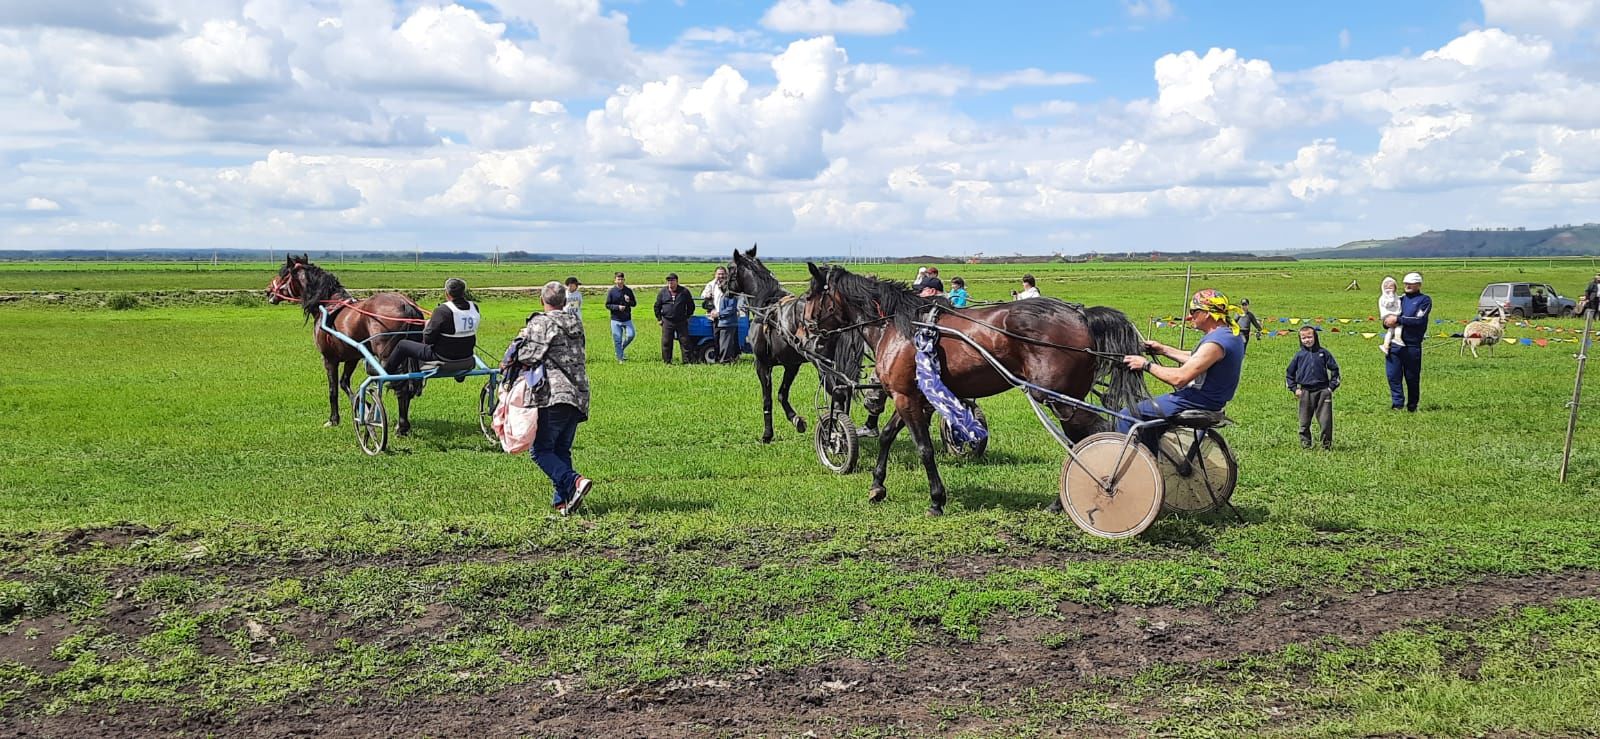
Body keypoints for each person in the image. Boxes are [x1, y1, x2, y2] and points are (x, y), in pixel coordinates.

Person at [1119, 289, 1245, 437]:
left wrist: (1145, 364)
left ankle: (1133, 458)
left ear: (1208, 313)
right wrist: (1163, 349)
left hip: (1198, 401)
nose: (1189, 316)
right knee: (1149, 423)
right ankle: (1151, 455)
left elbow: (1179, 378)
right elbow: (1197, 359)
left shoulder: (1216, 342)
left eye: (1194, 311)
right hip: (1210, 399)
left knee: (1126, 415)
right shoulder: (1229, 335)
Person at [514, 281, 594, 515]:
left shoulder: (542, 322)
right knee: (561, 450)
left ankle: (575, 482)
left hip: (554, 395)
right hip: (579, 393)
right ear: (565, 301)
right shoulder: (575, 320)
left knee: (540, 450)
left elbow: (528, 356)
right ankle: (564, 502)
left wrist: (521, 340)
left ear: (542, 300)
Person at [384, 278, 480, 402]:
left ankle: (386, 372)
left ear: (447, 293)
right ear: (464, 292)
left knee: (403, 345)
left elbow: (428, 339)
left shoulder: (443, 311)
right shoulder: (474, 307)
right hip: (467, 355)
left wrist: (428, 325)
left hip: (442, 357)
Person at [1285, 326, 1340, 450]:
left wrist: (1330, 388)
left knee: (1326, 422)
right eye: (1304, 338)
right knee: (1304, 422)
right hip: (1305, 392)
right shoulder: (1299, 356)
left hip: (1323, 391)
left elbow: (1335, 371)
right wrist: (1295, 389)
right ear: (1300, 339)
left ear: (1315, 337)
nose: (1307, 340)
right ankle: (1306, 445)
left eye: (1310, 337)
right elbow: (1289, 374)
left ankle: (1326, 446)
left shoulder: (1323, 353)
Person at [1385, 272, 1431, 412]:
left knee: (1411, 377)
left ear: (1418, 285)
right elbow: (1388, 316)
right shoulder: (1400, 299)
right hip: (1394, 344)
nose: (1407, 286)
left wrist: (1398, 320)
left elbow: (1419, 320)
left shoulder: (1424, 300)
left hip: (1412, 345)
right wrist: (1386, 322)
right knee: (1393, 375)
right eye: (1405, 283)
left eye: (1411, 284)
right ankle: (1397, 405)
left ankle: (1412, 405)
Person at [654, 272, 694, 363]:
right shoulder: (663, 292)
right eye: (668, 281)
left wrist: (687, 316)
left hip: (681, 320)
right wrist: (659, 319)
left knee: (685, 341)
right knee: (666, 342)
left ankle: (687, 361)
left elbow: (691, 305)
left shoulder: (684, 292)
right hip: (667, 321)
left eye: (672, 281)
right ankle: (667, 361)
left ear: (677, 281)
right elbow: (657, 306)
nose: (670, 283)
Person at [604, 272, 637, 362]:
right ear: (615, 280)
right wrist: (617, 307)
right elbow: (607, 305)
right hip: (615, 319)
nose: (620, 281)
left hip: (627, 319)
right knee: (617, 339)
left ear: (624, 280)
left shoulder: (628, 291)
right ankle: (620, 359)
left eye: (622, 279)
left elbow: (634, 304)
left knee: (631, 335)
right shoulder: (612, 292)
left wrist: (629, 301)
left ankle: (620, 349)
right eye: (618, 279)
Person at [1377, 276, 1403, 354]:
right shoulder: (1384, 298)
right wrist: (1391, 296)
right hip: (1389, 316)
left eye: (1391, 288)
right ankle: (1397, 338)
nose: (1389, 290)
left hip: (1394, 316)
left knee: (1391, 330)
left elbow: (1397, 301)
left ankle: (1386, 345)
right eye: (1386, 288)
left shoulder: (1395, 296)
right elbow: (1389, 303)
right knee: (1398, 326)